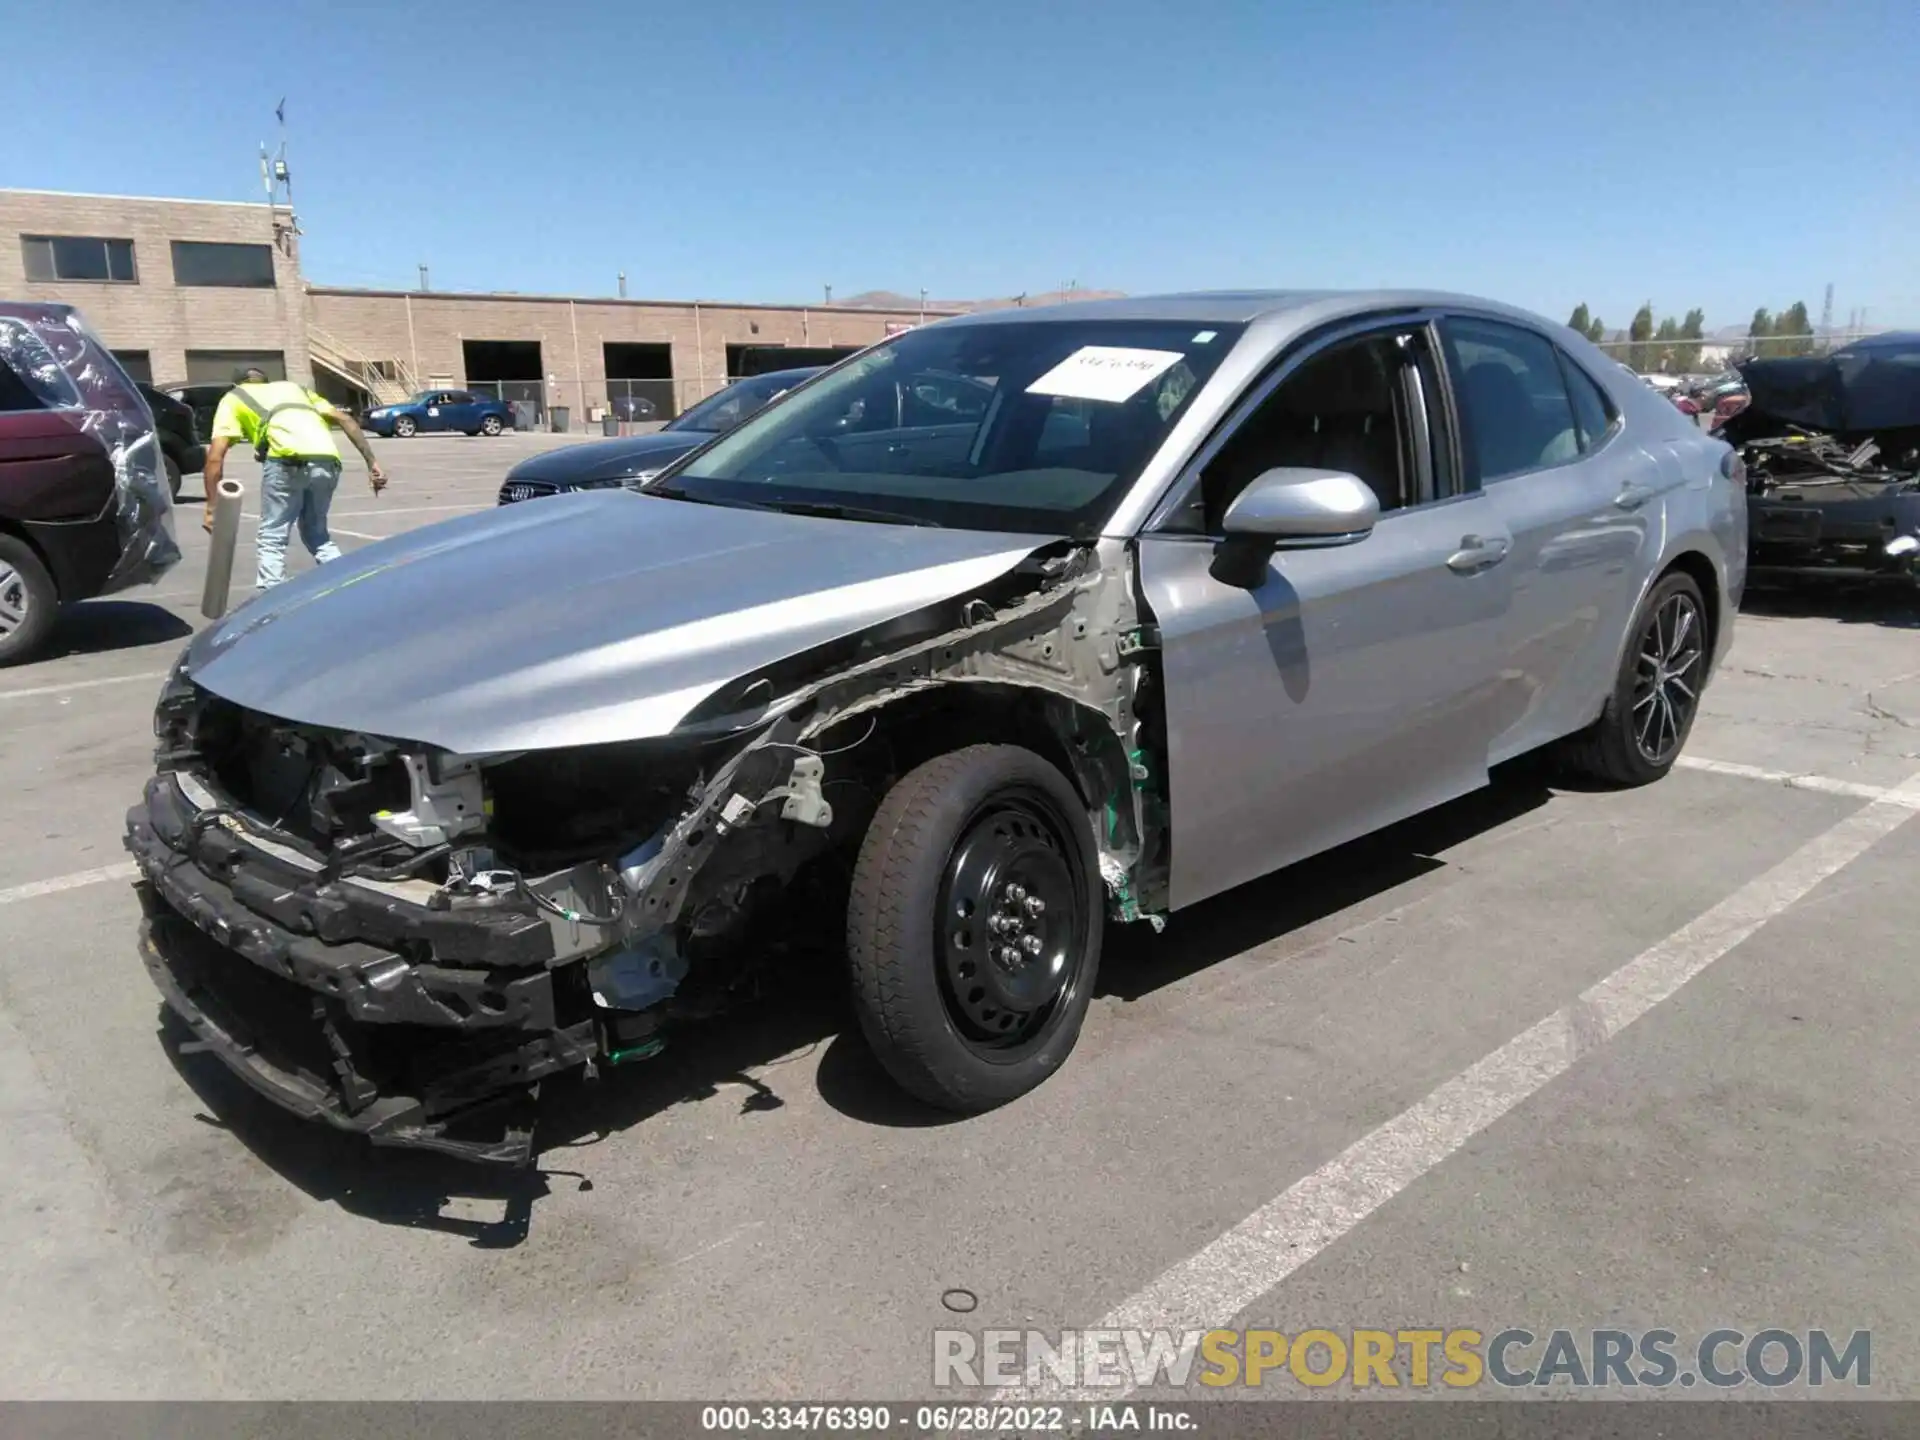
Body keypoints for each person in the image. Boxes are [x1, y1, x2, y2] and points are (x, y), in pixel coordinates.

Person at [202, 367, 388, 589]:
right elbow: (344, 418)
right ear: (266, 381)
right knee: (318, 534)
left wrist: (212, 507)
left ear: (238, 384)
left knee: (272, 536)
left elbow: (215, 458)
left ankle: (271, 600)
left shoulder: (234, 397)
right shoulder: (295, 389)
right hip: (327, 460)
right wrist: (372, 462)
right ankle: (350, 588)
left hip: (286, 462)